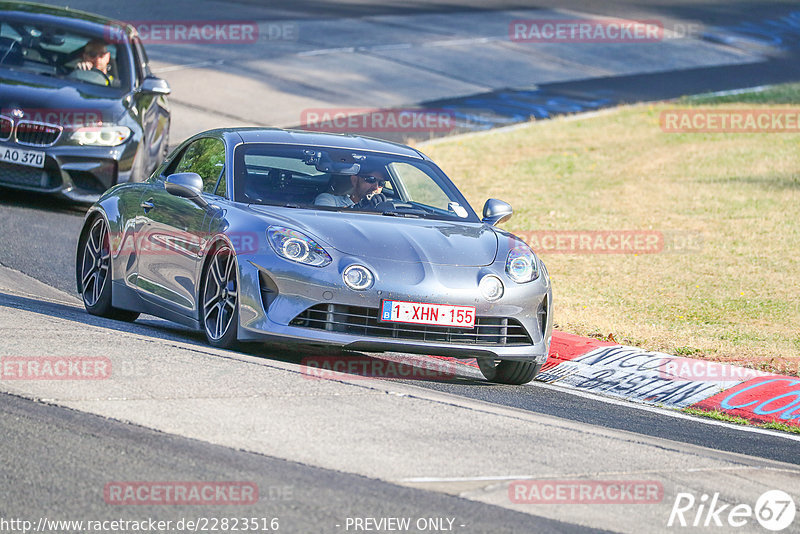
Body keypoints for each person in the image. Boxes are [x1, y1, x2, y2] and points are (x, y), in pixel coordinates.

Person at [315, 170, 388, 208]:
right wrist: (360, 206)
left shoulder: (384, 209)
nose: (376, 187)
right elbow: (326, 221)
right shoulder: (328, 199)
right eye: (371, 179)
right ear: (354, 180)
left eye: (381, 183)